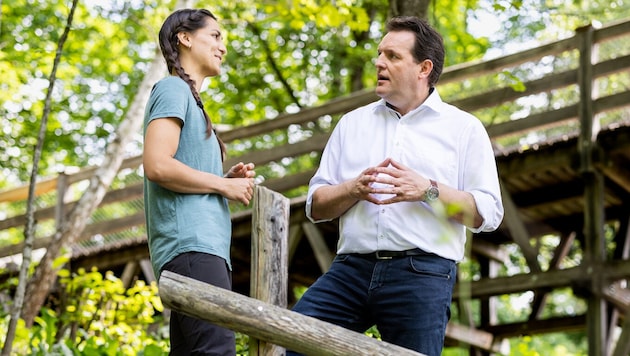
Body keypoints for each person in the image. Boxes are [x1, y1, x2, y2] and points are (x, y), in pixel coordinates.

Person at [289, 16, 504, 356]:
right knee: (291, 341)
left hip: (423, 273)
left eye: (392, 56)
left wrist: (428, 191)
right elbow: (315, 206)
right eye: (379, 54)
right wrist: (352, 189)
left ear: (424, 68)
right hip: (350, 270)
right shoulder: (351, 124)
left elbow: (486, 214)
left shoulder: (464, 129)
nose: (379, 63)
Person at [142, 8, 255, 356]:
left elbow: (179, 169)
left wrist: (221, 180)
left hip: (198, 250)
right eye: (215, 36)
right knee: (216, 350)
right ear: (185, 38)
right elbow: (157, 165)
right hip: (191, 248)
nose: (223, 46)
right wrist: (222, 187)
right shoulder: (173, 88)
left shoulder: (189, 99)